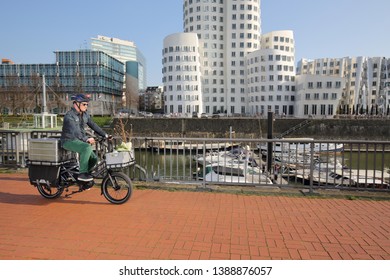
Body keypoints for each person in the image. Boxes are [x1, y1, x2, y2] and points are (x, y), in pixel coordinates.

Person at [61, 93, 110, 182]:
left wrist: (104, 134)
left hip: (78, 140)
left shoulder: (85, 114)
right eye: (84, 104)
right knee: (87, 147)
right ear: (76, 104)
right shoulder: (69, 116)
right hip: (68, 140)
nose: (86, 106)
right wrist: (86, 139)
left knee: (94, 159)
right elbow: (75, 131)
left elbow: (93, 125)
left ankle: (85, 175)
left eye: (87, 104)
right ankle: (82, 174)